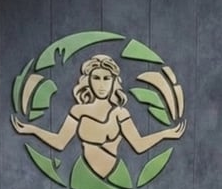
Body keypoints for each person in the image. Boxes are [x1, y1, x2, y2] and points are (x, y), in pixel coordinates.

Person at [11, 54, 185, 181]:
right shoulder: (79, 110)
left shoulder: (120, 113)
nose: (101, 84)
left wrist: (166, 134)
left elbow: (138, 145)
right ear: (88, 81)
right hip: (82, 173)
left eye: (106, 78)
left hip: (117, 175)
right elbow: (59, 142)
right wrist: (32, 129)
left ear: (114, 81)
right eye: (96, 78)